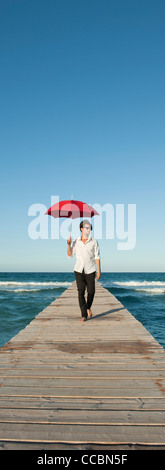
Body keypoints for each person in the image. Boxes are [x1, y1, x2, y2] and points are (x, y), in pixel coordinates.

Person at [67, 220, 101, 322]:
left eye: (89, 228)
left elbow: (97, 257)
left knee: (91, 292)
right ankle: (84, 315)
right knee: (80, 292)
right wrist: (68, 245)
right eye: (86, 227)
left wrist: (99, 271)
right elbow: (70, 255)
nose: (88, 229)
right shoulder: (75, 241)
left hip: (90, 269)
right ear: (81, 229)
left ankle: (88, 307)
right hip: (78, 269)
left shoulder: (94, 242)